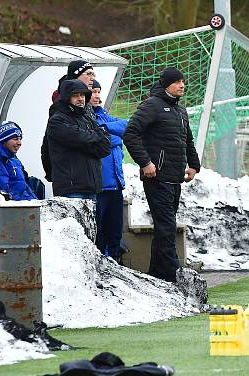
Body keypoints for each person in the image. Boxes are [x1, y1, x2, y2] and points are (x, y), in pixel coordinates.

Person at [122, 67, 200, 282]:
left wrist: (194, 165)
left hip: (175, 177)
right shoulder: (151, 105)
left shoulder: (180, 110)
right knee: (166, 226)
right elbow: (131, 134)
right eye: (177, 82)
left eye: (183, 81)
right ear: (166, 84)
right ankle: (174, 274)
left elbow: (188, 141)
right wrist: (146, 162)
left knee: (165, 225)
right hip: (157, 178)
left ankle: (157, 274)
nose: (182, 85)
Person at [45, 79, 111, 199]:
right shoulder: (57, 120)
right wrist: (96, 135)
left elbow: (105, 148)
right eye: (75, 95)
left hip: (93, 187)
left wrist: (91, 137)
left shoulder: (87, 118)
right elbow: (80, 138)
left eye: (82, 95)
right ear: (67, 98)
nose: (80, 98)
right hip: (71, 189)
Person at [91, 80, 129, 262]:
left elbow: (127, 126)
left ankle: (114, 263)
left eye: (99, 91)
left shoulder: (105, 117)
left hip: (115, 184)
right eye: (93, 91)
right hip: (100, 185)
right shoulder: (86, 118)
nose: (97, 96)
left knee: (115, 232)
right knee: (99, 232)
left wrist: (106, 130)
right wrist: (114, 137)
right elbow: (99, 139)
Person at [43, 60, 98, 183]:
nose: (92, 78)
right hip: (71, 178)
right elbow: (76, 138)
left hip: (89, 176)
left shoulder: (87, 104)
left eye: (94, 75)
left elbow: (103, 139)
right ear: (76, 75)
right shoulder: (60, 105)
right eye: (88, 74)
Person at [0, 121, 39, 201]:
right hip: (14, 207)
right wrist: (26, 203)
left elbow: (24, 187)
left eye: (20, 139)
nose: (19, 143)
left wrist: (35, 201)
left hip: (24, 203)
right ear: (4, 140)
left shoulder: (14, 159)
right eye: (15, 139)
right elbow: (4, 190)